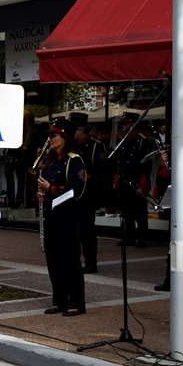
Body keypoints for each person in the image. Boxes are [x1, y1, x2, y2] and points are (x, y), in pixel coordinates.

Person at [38, 117, 88, 317]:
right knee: (54, 260)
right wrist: (42, 194)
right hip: (52, 216)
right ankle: (59, 301)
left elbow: (78, 190)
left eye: (54, 135)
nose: (50, 139)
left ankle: (77, 302)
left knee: (69, 260)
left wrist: (51, 190)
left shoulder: (75, 161)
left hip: (67, 218)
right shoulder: (51, 161)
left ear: (65, 138)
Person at [69, 112, 107, 274]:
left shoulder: (96, 146)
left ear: (82, 130)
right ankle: (74, 260)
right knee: (72, 229)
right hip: (71, 194)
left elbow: (102, 170)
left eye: (74, 129)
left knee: (87, 230)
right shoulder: (71, 145)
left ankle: (91, 262)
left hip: (87, 194)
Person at [116, 112, 152, 248]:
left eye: (125, 123)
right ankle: (129, 237)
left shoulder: (142, 140)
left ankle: (142, 238)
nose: (122, 126)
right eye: (122, 123)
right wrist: (116, 178)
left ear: (133, 124)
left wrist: (144, 181)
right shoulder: (122, 140)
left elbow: (146, 163)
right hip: (124, 179)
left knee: (139, 211)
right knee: (126, 211)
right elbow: (119, 162)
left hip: (137, 179)